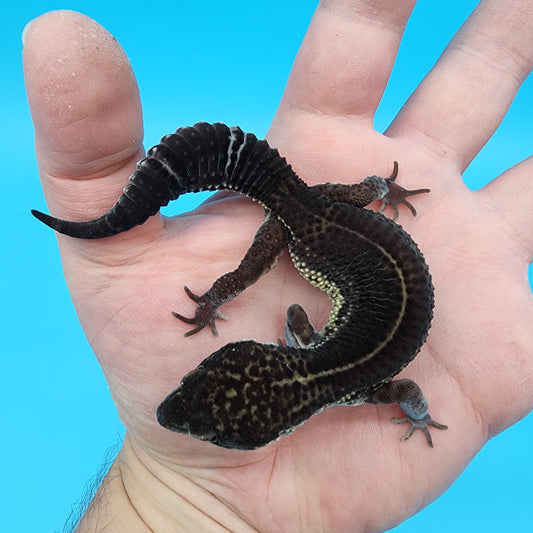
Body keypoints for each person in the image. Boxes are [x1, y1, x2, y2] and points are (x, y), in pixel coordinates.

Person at [23, 2, 533, 531]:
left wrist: (418, 412)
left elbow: (398, 387)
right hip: (321, 223)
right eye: (210, 427)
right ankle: (359, 200)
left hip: (329, 216)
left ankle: (374, 190)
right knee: (251, 270)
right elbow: (299, 322)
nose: (171, 415)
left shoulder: (358, 389)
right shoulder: (337, 369)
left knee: (264, 261)